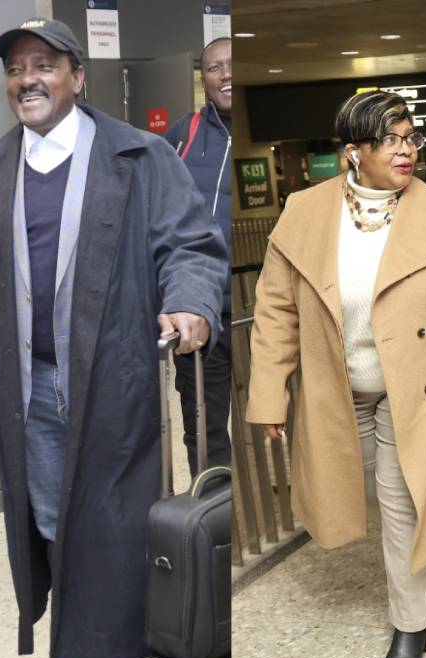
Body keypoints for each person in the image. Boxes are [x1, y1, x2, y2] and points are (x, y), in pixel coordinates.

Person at [0, 18, 228, 658]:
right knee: (55, 520)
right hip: (31, 389)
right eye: (15, 69)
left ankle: (113, 652)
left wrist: (191, 301)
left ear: (78, 78)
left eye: (44, 66)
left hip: (117, 381)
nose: (27, 80)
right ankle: (92, 644)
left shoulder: (140, 156)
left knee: (117, 524)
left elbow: (189, 244)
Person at [245, 91, 426, 658]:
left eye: (410, 138)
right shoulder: (304, 212)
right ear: (353, 152)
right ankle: (421, 553)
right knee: (352, 493)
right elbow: (276, 311)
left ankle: (410, 625)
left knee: (403, 505)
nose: (405, 150)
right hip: (337, 389)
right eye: (388, 140)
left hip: (417, 390)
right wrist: (268, 393)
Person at [165, 36, 234, 473]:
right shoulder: (182, 136)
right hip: (201, 315)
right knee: (204, 432)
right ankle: (213, 507)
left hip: (260, 314)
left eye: (233, 63)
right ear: (203, 78)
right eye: (214, 67)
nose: (226, 75)